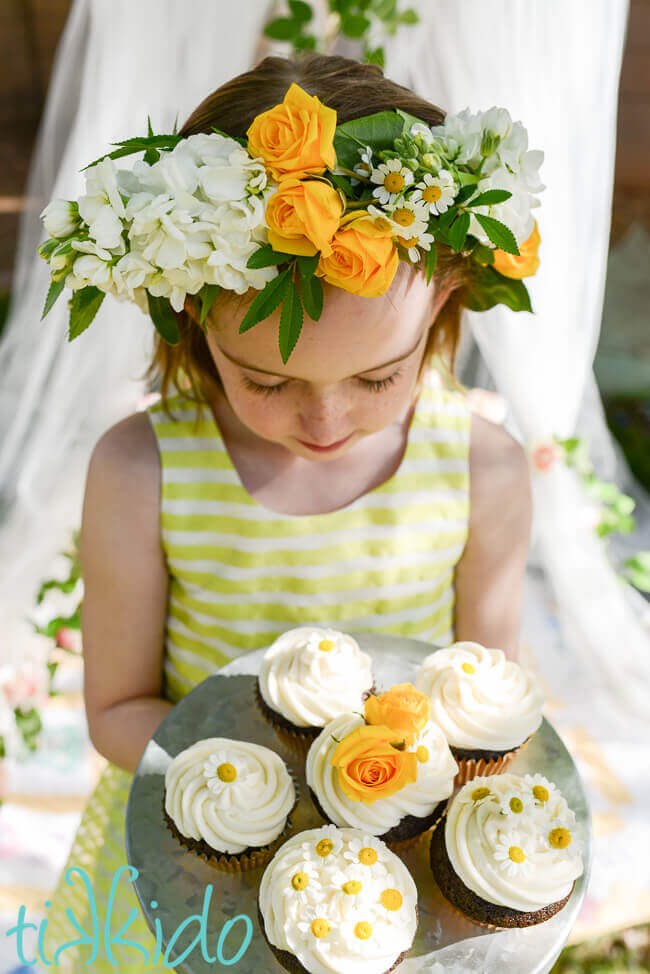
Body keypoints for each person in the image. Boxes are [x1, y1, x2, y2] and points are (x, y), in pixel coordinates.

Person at [40, 52, 533, 970]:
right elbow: (115, 708)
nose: (324, 419)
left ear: (449, 299)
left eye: (380, 374)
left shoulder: (484, 471)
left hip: (390, 870)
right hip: (200, 847)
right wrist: (267, 800)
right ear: (189, 317)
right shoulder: (142, 470)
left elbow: (487, 712)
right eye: (265, 378)